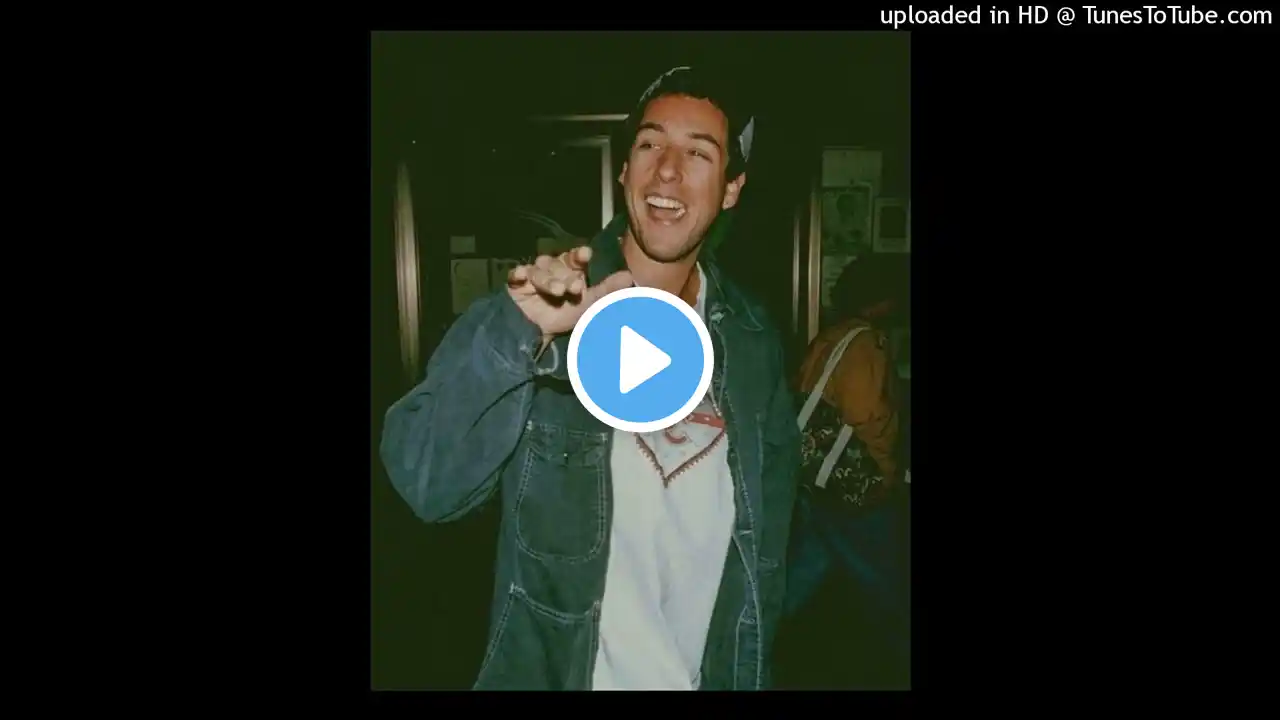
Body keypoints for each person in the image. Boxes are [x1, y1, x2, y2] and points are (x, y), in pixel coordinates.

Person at [380, 66, 800, 691]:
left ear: (731, 189)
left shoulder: (751, 338)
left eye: (698, 153)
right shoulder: (543, 305)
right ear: (625, 170)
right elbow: (425, 483)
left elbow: (763, 557)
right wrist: (521, 333)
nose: (668, 171)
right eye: (650, 144)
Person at [783, 255, 911, 685]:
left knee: (808, 567)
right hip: (852, 486)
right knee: (889, 581)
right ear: (884, 299)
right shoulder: (867, 343)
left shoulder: (832, 335)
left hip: (816, 478)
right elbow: (868, 414)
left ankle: (748, 635)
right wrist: (887, 467)